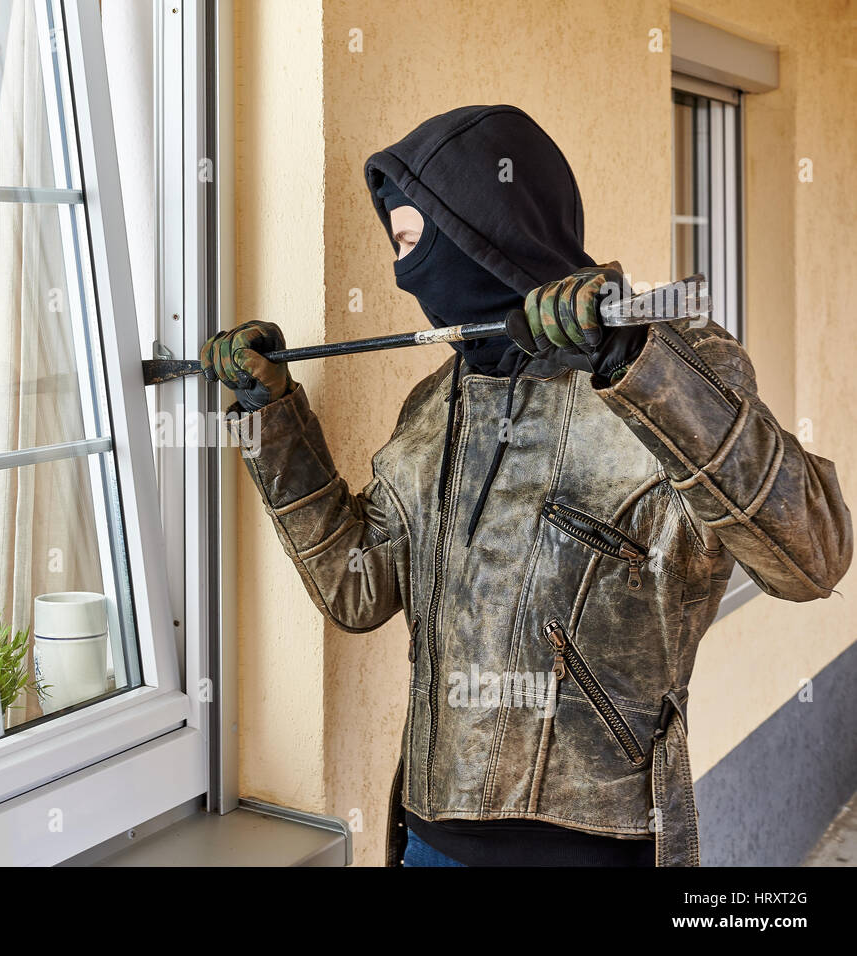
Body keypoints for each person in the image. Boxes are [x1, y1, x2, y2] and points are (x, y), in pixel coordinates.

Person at [200, 104, 852, 867]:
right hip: (428, 841)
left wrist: (634, 364)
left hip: (594, 847)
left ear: (482, 234)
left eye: (414, 241)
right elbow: (358, 588)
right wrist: (268, 416)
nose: (402, 269)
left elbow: (813, 557)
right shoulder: (431, 409)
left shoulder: (663, 370)